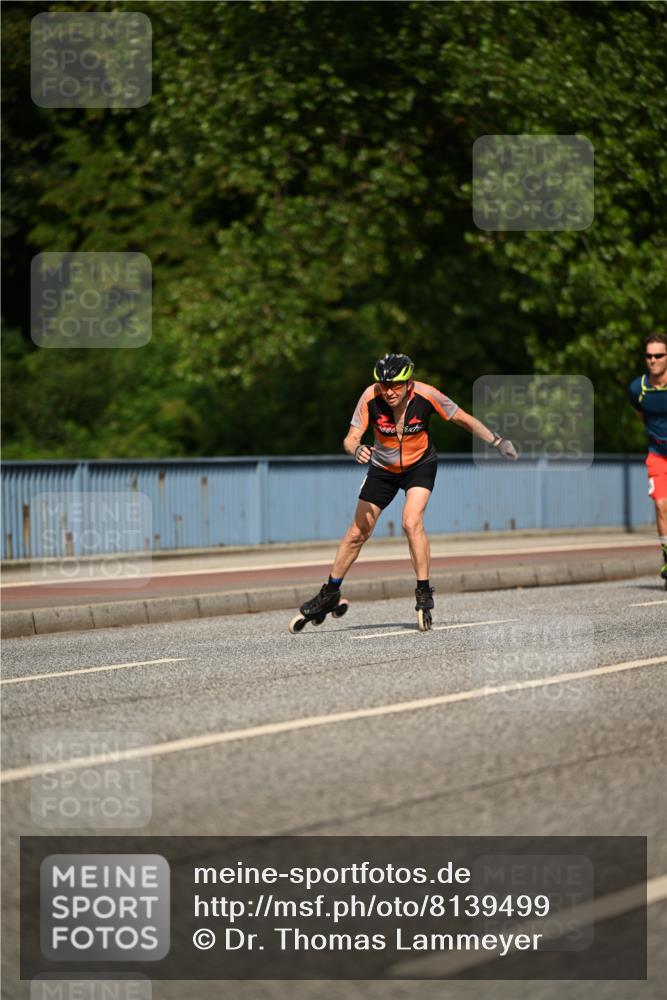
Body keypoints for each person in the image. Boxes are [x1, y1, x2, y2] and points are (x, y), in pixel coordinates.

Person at [298, 353, 518, 626]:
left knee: (410, 522)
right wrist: (356, 449)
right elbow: (350, 438)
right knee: (357, 533)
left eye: (395, 386)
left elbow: (462, 418)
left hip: (419, 465)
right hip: (383, 469)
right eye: (384, 385)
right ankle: (330, 592)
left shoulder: (427, 395)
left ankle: (424, 591)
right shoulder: (370, 396)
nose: (389, 391)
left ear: (409, 383)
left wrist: (497, 441)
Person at [628, 333, 667, 586]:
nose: (653, 360)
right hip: (657, 455)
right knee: (662, 505)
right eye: (649, 355)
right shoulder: (637, 389)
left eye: (659, 355)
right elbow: (641, 416)